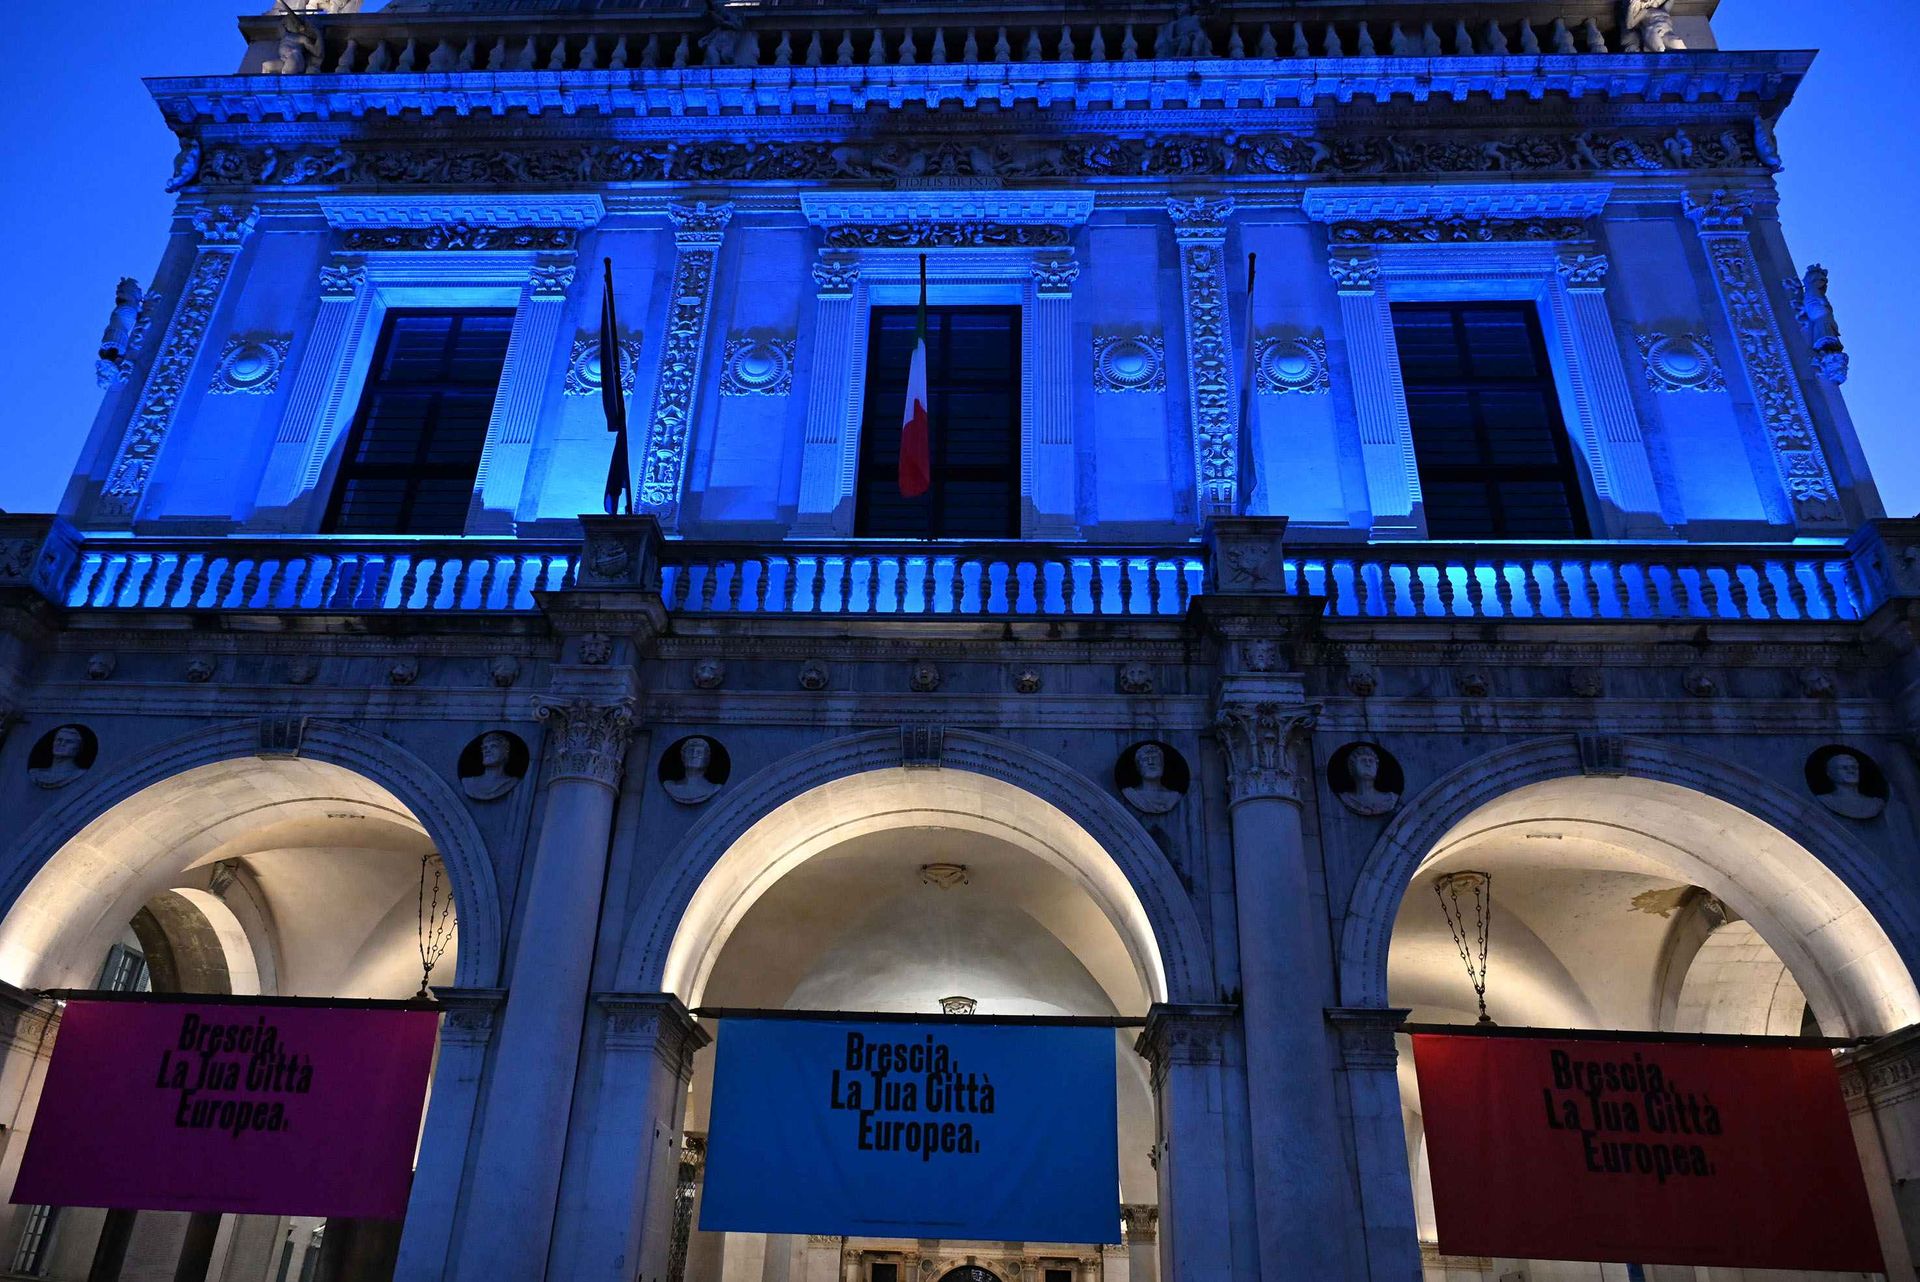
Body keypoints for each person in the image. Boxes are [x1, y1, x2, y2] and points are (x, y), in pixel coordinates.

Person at [1817, 751, 1883, 820]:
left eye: (1854, 767)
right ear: (1830, 773)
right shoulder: (1825, 800)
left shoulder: (1875, 803)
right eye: (1844, 767)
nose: (1851, 771)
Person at [1338, 744, 1400, 816]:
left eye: (1371, 761)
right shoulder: (1346, 798)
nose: (1368, 764)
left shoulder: (1390, 799)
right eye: (1363, 760)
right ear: (1351, 768)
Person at [1122, 743, 1181, 814]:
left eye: (1155, 758)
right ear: (1138, 767)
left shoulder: (1174, 796)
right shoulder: (1130, 794)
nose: (1150, 762)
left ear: (1162, 764)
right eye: (1145, 759)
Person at [462, 732, 520, 801]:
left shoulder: (513, 782)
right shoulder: (468, 782)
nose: (487, 750)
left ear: (506, 751)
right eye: (484, 748)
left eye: (493, 746)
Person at [666, 736, 722, 804]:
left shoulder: (713, 788)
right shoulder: (670, 786)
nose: (694, 755)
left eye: (699, 753)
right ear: (683, 757)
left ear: (707, 759)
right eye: (690, 752)